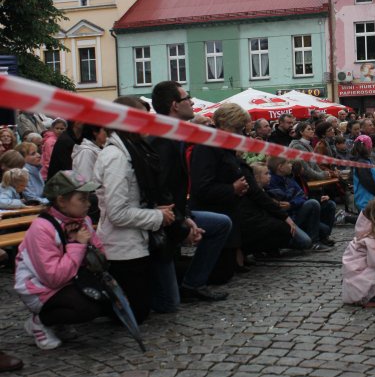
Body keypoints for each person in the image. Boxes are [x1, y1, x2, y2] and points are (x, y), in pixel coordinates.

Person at [150, 81, 232, 307]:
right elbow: (161, 191)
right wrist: (182, 224)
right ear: (175, 105)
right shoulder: (162, 140)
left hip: (177, 212)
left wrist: (185, 216)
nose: (192, 102)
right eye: (187, 98)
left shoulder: (175, 135)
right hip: (159, 220)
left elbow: (176, 190)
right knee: (168, 304)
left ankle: (194, 282)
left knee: (221, 223)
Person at [94, 97, 175, 323]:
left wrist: (156, 209)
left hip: (136, 241)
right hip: (122, 247)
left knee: (153, 306)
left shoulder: (132, 150)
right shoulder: (116, 157)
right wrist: (157, 216)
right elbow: (117, 212)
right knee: (137, 313)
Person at [191, 104, 295, 279]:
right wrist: (232, 188)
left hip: (232, 213)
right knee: (219, 274)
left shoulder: (224, 146)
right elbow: (202, 187)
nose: (242, 135)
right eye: (239, 129)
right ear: (227, 125)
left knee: (224, 273)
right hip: (216, 213)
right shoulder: (207, 147)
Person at [14, 170, 109, 350]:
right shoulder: (42, 228)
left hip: (70, 280)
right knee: (87, 308)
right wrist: (77, 245)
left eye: (88, 198)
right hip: (40, 288)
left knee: (105, 299)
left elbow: (100, 252)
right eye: (82, 199)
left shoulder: (83, 220)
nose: (88, 204)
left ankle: (58, 320)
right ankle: (40, 321)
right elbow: (53, 277)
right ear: (61, 201)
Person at [266, 157, 336, 251]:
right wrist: (294, 202)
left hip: (297, 210)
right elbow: (282, 201)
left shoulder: (288, 179)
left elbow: (302, 196)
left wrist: (292, 203)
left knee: (330, 205)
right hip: (290, 217)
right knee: (312, 204)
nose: (291, 165)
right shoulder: (272, 181)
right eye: (288, 163)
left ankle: (323, 237)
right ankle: (314, 242)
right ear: (280, 167)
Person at [350, 136, 375, 212]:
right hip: (366, 200)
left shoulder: (365, 161)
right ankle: (346, 218)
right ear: (369, 147)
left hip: (369, 199)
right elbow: (367, 181)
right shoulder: (362, 163)